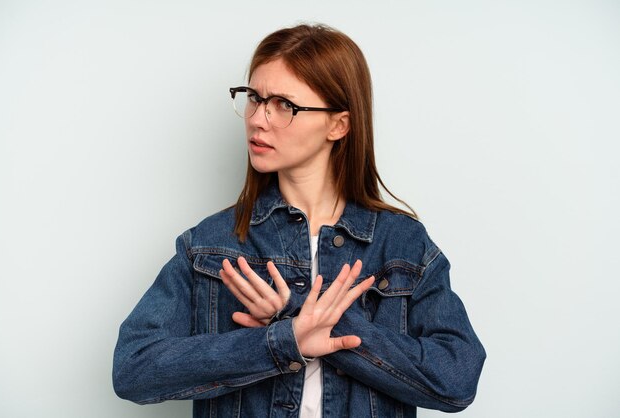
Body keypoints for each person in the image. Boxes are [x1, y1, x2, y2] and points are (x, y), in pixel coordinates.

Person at [113, 23, 486, 418]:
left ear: (338, 125)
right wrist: (281, 341)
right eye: (254, 98)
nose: (259, 119)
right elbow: (133, 367)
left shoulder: (402, 244)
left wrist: (301, 313)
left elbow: (456, 379)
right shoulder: (210, 244)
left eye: (283, 105)